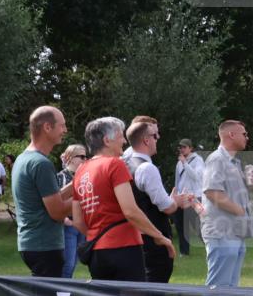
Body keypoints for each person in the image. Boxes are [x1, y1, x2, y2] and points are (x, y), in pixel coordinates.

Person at [71, 117, 175, 282]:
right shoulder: (115, 164)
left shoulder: (81, 170)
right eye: (120, 136)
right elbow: (130, 211)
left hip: (96, 250)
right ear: (107, 140)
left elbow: (77, 221)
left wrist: (97, 235)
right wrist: (159, 236)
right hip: (124, 247)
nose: (125, 141)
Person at [123, 117, 191, 283]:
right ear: (146, 140)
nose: (158, 138)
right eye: (155, 135)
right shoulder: (147, 168)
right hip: (154, 238)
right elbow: (166, 206)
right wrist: (177, 201)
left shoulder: (124, 162)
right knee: (155, 286)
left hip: (134, 237)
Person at [12, 106, 74, 277]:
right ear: (47, 127)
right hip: (45, 247)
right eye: (62, 125)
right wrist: (89, 196)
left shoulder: (24, 158)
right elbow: (57, 212)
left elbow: (51, 200)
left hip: (31, 244)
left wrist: (77, 185)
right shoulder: (41, 164)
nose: (65, 130)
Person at [201, 119, 251, 288]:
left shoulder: (235, 163)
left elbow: (237, 194)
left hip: (235, 232)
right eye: (244, 134)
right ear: (231, 134)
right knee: (218, 287)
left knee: (229, 288)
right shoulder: (216, 159)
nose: (247, 137)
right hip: (222, 233)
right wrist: (240, 211)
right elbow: (211, 192)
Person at [57, 144, 88, 278]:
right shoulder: (61, 177)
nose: (85, 159)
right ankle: (62, 293)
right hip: (69, 225)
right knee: (68, 264)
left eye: (86, 156)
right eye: (81, 156)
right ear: (70, 158)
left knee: (75, 262)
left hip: (82, 225)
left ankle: (66, 292)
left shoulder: (86, 176)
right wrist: (66, 221)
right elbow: (55, 201)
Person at [173, 138, 205, 255]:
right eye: (180, 147)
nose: (182, 149)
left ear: (190, 148)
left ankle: (210, 247)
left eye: (184, 147)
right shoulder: (179, 163)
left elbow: (196, 177)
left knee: (197, 226)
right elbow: (178, 180)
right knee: (180, 225)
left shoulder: (198, 160)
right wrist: (175, 194)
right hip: (182, 197)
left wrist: (185, 163)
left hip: (194, 197)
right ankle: (184, 252)